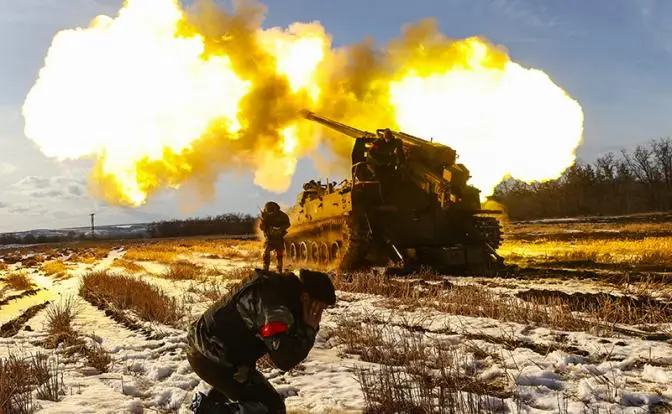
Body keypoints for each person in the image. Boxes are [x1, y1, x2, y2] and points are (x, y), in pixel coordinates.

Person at [186, 268, 336, 414]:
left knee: (259, 401)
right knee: (269, 408)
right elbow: (284, 359)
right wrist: (308, 329)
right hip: (210, 358)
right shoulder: (274, 306)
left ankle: (214, 404)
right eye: (319, 308)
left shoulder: (283, 292)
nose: (318, 314)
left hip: (219, 355)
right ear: (305, 298)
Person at [259, 201, 290, 272]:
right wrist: (263, 221)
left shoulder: (282, 215)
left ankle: (279, 269)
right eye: (269, 211)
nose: (270, 213)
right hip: (269, 239)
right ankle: (265, 269)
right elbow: (262, 228)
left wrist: (280, 229)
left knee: (279, 255)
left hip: (279, 238)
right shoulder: (266, 215)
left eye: (271, 211)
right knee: (266, 253)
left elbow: (288, 224)